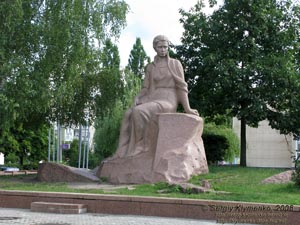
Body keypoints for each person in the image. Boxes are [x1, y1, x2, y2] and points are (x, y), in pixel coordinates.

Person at [113, 35, 198, 158]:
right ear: (155, 48)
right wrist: (138, 97)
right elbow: (145, 88)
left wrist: (187, 108)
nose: (163, 49)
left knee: (139, 111)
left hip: (168, 99)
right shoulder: (150, 67)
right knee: (128, 114)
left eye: (165, 47)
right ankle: (122, 151)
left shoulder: (175, 64)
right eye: (160, 47)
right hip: (152, 97)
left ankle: (141, 145)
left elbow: (181, 87)